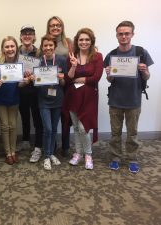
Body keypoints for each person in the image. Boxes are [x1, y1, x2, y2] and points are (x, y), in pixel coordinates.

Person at [104, 21, 154, 173]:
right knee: (115, 133)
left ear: (132, 34)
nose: (124, 36)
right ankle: (115, 158)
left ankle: (132, 159)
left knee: (132, 134)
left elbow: (147, 77)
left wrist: (144, 70)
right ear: (117, 35)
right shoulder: (111, 55)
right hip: (115, 100)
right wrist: (109, 75)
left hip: (133, 100)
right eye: (120, 33)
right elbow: (110, 80)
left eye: (127, 33)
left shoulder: (140, 52)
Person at [64, 28, 103, 170]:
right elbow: (69, 79)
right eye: (81, 39)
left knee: (83, 127)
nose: (84, 42)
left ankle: (88, 154)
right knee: (75, 127)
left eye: (87, 39)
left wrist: (80, 79)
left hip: (89, 97)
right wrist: (74, 66)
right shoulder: (71, 56)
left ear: (91, 41)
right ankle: (78, 153)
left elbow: (96, 78)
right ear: (77, 41)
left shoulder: (97, 56)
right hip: (73, 96)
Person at [0, 36, 29, 165]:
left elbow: (20, 85)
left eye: (12, 46)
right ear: (3, 49)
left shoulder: (20, 64)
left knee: (13, 126)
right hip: (0, 99)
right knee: (5, 126)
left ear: (16, 48)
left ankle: (14, 152)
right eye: (7, 46)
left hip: (14, 98)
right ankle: (8, 153)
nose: (10, 49)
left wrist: (25, 82)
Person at [33, 34, 67, 170]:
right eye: (45, 45)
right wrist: (33, 79)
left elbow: (64, 83)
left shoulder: (61, 60)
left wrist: (61, 78)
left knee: (53, 129)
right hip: (43, 100)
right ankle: (47, 156)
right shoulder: (38, 62)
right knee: (47, 128)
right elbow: (35, 85)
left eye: (50, 45)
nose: (48, 48)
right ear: (42, 47)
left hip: (58, 99)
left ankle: (51, 153)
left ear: (54, 46)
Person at [46, 16, 73, 157]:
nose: (55, 27)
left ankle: (66, 146)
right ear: (48, 27)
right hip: (49, 86)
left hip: (65, 85)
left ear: (62, 27)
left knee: (65, 118)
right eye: (52, 25)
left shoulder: (68, 42)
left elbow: (76, 60)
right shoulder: (45, 42)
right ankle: (53, 146)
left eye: (58, 25)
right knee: (52, 118)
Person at [17, 25, 43, 163]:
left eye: (30, 34)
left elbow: (45, 71)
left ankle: (38, 146)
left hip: (35, 91)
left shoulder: (39, 53)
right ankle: (26, 140)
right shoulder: (15, 52)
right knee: (24, 117)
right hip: (21, 90)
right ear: (20, 36)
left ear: (34, 36)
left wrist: (35, 75)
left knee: (37, 119)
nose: (27, 36)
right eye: (24, 34)